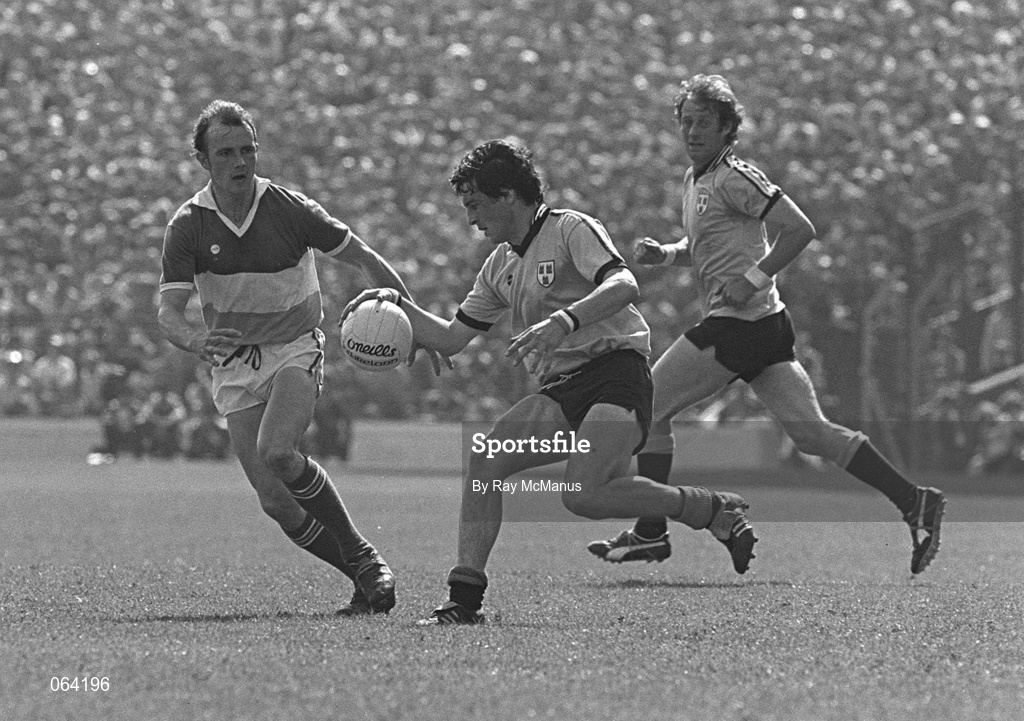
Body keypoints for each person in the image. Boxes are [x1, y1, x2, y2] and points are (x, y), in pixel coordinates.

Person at [344, 140, 757, 626]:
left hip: (616, 372)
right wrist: (396, 304)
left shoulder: (569, 229)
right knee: (487, 457)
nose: (472, 219)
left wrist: (563, 321)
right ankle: (464, 601)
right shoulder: (500, 264)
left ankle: (709, 508)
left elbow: (624, 285)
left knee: (582, 494)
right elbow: (452, 339)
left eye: (476, 205)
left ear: (508, 196)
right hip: (563, 388)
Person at [586, 75, 946, 575]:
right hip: (764, 327)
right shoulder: (697, 179)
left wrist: (754, 278)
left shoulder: (735, 175)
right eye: (686, 122)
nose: (692, 131)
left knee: (649, 404)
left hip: (739, 325)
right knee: (812, 436)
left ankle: (651, 531)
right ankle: (916, 502)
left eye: (704, 123)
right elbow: (711, 247)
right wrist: (667, 254)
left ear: (728, 128)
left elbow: (800, 229)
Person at [158, 100, 441, 615]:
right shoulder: (189, 226)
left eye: (247, 150)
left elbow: (366, 260)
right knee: (275, 500)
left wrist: (415, 325)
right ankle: (365, 577)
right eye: (226, 153)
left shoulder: (289, 208)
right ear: (204, 161)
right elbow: (168, 312)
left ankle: (363, 554)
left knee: (278, 451)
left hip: (295, 346)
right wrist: (196, 341)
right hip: (234, 363)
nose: (240, 162)